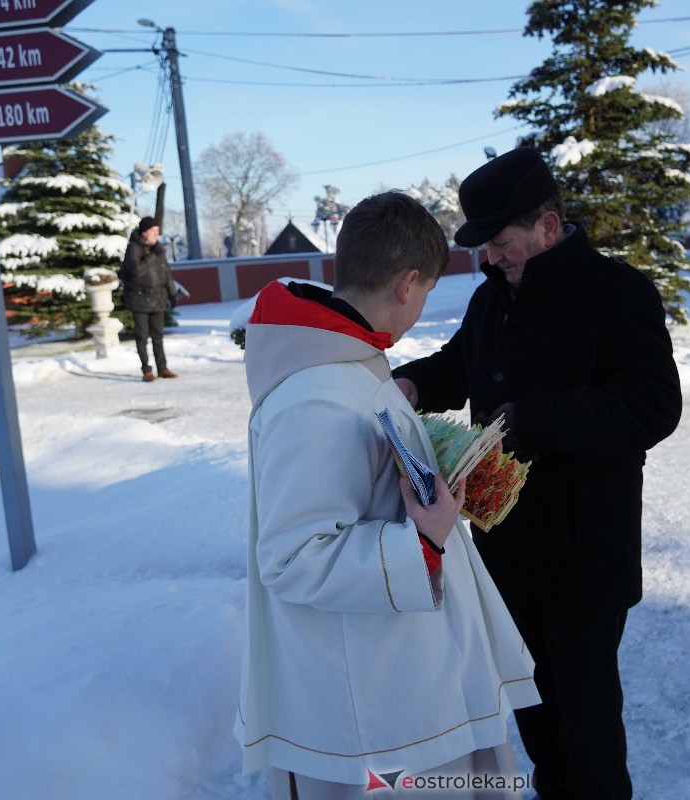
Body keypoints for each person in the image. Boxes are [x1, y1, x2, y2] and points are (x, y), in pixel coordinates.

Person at [392, 148, 683, 800]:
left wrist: (533, 421)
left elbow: (654, 405)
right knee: (538, 721)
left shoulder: (618, 295)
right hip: (508, 551)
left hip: (584, 557)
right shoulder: (493, 298)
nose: (491, 256)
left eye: (500, 241)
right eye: (486, 246)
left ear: (548, 228)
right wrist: (409, 384)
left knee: (587, 734)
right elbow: (458, 362)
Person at [236, 191, 539, 799]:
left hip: (403, 681)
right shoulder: (316, 395)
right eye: (426, 292)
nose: (420, 306)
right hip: (372, 714)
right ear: (407, 283)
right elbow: (293, 555)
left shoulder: (349, 366)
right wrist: (423, 540)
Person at [119, 216, 178, 382]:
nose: (157, 234)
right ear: (145, 232)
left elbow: (166, 273)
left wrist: (172, 293)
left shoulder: (157, 249)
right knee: (142, 336)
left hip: (158, 298)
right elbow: (136, 271)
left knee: (158, 335)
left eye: (158, 231)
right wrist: (152, 256)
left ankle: (162, 368)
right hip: (139, 298)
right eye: (154, 231)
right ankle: (146, 370)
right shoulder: (133, 248)